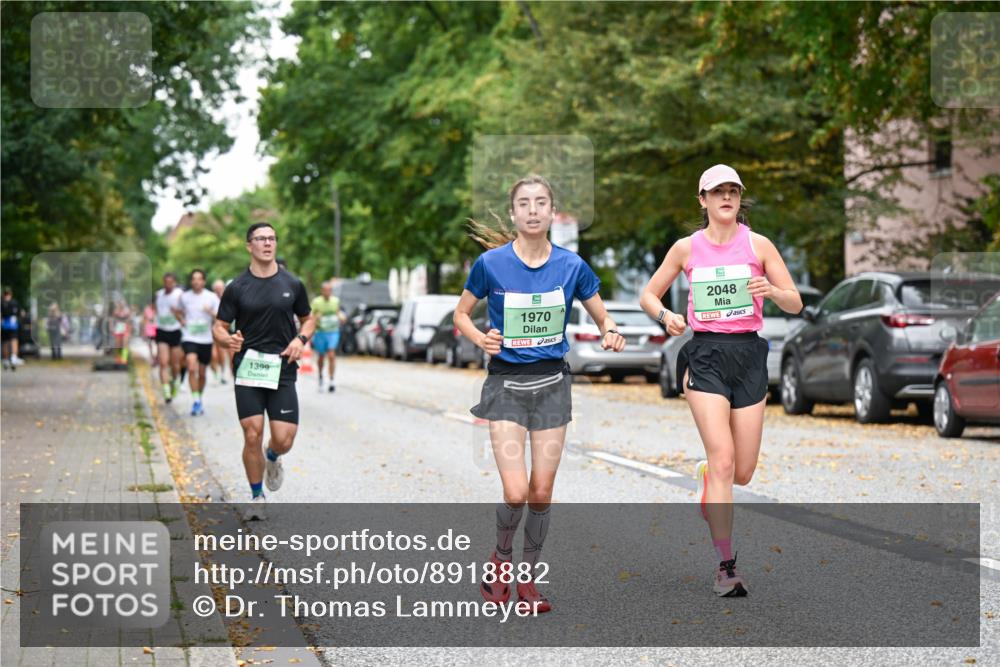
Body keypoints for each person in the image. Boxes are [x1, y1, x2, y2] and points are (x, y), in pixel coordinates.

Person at [455, 175, 626, 614]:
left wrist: (610, 332)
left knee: (542, 492)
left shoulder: (572, 266)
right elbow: (460, 314)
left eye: (541, 203)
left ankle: (528, 579)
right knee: (516, 491)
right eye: (525, 203)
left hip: (552, 386)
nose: (533, 210)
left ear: (552, 212)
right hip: (506, 386)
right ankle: (500, 560)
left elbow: (602, 316)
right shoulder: (490, 263)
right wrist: (481, 338)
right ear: (513, 214)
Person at [639, 164, 802, 598]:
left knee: (741, 472)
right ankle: (726, 566)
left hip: (749, 355)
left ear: (739, 197)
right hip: (706, 355)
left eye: (733, 191)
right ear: (703, 200)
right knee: (726, 459)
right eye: (717, 192)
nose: (726, 197)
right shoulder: (686, 248)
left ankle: (710, 477)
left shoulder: (759, 244)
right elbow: (648, 294)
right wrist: (667, 316)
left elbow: (795, 302)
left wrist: (770, 289)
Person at [213, 223, 314, 520]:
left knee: (283, 439)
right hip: (248, 367)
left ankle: (273, 457)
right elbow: (219, 327)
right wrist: (226, 339)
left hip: (282, 367)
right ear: (249, 246)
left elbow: (308, 319)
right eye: (261, 239)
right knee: (252, 433)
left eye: (272, 238)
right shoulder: (237, 288)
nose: (268, 243)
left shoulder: (292, 284)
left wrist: (301, 339)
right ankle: (257, 496)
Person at [178, 269, 220, 416]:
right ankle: (195, 401)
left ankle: (199, 398)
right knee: (191, 366)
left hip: (206, 339)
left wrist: (210, 312)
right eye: (194, 279)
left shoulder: (212, 297)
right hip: (189, 337)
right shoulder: (184, 297)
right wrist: (181, 320)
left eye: (199, 279)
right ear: (191, 281)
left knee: (202, 374)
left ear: (203, 281)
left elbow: (220, 317)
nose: (196, 281)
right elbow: (178, 311)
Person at [310, 281, 345, 393]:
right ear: (322, 291)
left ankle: (331, 380)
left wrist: (341, 317)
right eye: (326, 290)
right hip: (320, 332)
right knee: (321, 357)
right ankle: (320, 377)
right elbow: (310, 318)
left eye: (330, 290)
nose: (328, 292)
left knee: (331, 354)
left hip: (333, 331)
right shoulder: (316, 302)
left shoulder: (335, 301)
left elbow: (338, 313)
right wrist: (316, 317)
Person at [155, 273, 185, 402]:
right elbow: (156, 310)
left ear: (174, 282)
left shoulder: (179, 295)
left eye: (170, 282)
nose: (168, 284)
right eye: (166, 282)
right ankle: (166, 392)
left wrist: (177, 313)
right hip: (162, 331)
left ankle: (175, 381)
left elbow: (185, 313)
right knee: (163, 363)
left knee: (175, 365)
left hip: (175, 331)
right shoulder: (159, 294)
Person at [210, 279, 232, 383]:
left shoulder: (229, 299)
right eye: (216, 289)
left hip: (225, 331)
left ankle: (223, 373)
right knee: (213, 355)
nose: (218, 291)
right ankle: (216, 373)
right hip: (210, 331)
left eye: (220, 288)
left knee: (223, 353)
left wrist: (211, 312)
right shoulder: (210, 299)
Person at [2, 288, 24, 369]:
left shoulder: (1, 302)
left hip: (4, 325)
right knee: (14, 341)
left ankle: (6, 360)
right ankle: (14, 358)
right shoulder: (14, 302)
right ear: (10, 294)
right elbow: (21, 313)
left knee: (5, 343)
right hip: (13, 325)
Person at [111, 300, 132, 365]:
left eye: (122, 304)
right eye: (120, 304)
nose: (121, 305)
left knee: (124, 343)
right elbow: (112, 320)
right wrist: (112, 328)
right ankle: (118, 359)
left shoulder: (127, 311)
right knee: (118, 344)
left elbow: (130, 321)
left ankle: (124, 359)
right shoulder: (116, 311)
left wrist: (130, 330)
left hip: (125, 327)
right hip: (118, 327)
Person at [142, 301, 158, 367]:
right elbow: (144, 320)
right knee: (150, 344)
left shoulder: (158, 308)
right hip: (149, 330)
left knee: (158, 345)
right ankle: (152, 358)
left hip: (157, 329)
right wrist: (143, 331)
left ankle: (156, 358)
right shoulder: (147, 309)